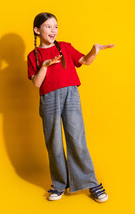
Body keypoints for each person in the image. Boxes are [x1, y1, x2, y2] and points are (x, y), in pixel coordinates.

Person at [27, 12, 114, 202]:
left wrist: (94, 51)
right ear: (37, 30)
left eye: (55, 26)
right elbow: (36, 83)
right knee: (54, 143)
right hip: (49, 98)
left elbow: (85, 61)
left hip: (71, 95)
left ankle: (91, 183)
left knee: (77, 139)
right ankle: (59, 184)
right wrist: (45, 66)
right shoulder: (33, 55)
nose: (53, 30)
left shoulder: (65, 47)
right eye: (48, 26)